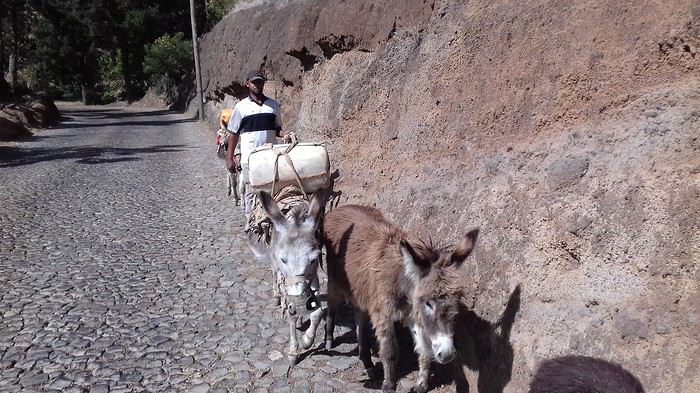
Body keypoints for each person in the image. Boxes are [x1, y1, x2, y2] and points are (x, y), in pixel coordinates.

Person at [225, 70, 284, 219]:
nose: (257, 85)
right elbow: (234, 133)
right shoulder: (241, 107)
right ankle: (250, 223)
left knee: (271, 190)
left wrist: (286, 134)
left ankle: (269, 221)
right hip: (249, 159)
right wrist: (229, 158)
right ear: (247, 84)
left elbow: (278, 129)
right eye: (254, 82)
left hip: (271, 157)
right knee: (251, 192)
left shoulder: (273, 106)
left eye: (260, 82)